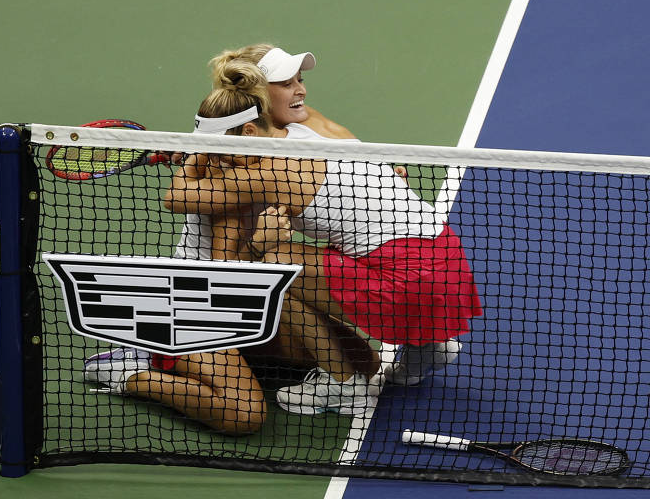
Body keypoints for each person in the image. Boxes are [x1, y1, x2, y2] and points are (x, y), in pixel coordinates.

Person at [163, 63, 484, 417]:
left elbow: (177, 198)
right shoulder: (311, 129)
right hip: (445, 259)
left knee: (273, 267)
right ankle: (427, 348)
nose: (224, 163)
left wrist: (193, 156)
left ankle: (341, 386)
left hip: (407, 284)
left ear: (251, 131)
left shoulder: (263, 173)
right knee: (333, 255)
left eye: (222, 153)